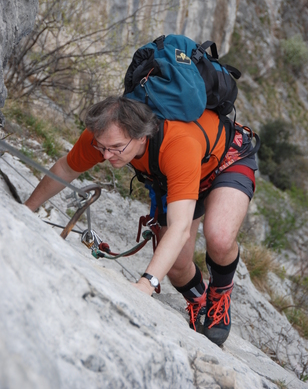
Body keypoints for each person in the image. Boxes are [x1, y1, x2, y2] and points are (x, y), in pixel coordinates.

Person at [25, 95, 258, 346]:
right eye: (101, 147)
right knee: (176, 266)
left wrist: (147, 284)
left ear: (141, 135)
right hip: (173, 174)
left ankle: (219, 295)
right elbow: (66, 169)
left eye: (116, 148)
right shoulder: (105, 136)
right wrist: (26, 209)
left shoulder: (176, 143)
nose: (105, 156)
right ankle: (200, 301)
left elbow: (180, 229)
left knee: (220, 237)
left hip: (224, 160)